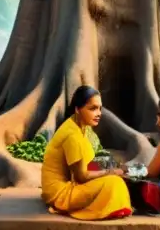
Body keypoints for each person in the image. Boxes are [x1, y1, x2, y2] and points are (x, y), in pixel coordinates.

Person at [41, 85, 132, 220]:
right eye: (93, 108)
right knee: (115, 183)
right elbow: (81, 177)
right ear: (78, 109)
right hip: (60, 193)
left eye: (100, 108)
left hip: (66, 186)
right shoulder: (72, 135)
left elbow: (87, 162)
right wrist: (111, 172)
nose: (99, 113)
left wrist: (112, 166)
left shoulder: (80, 127)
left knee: (112, 166)